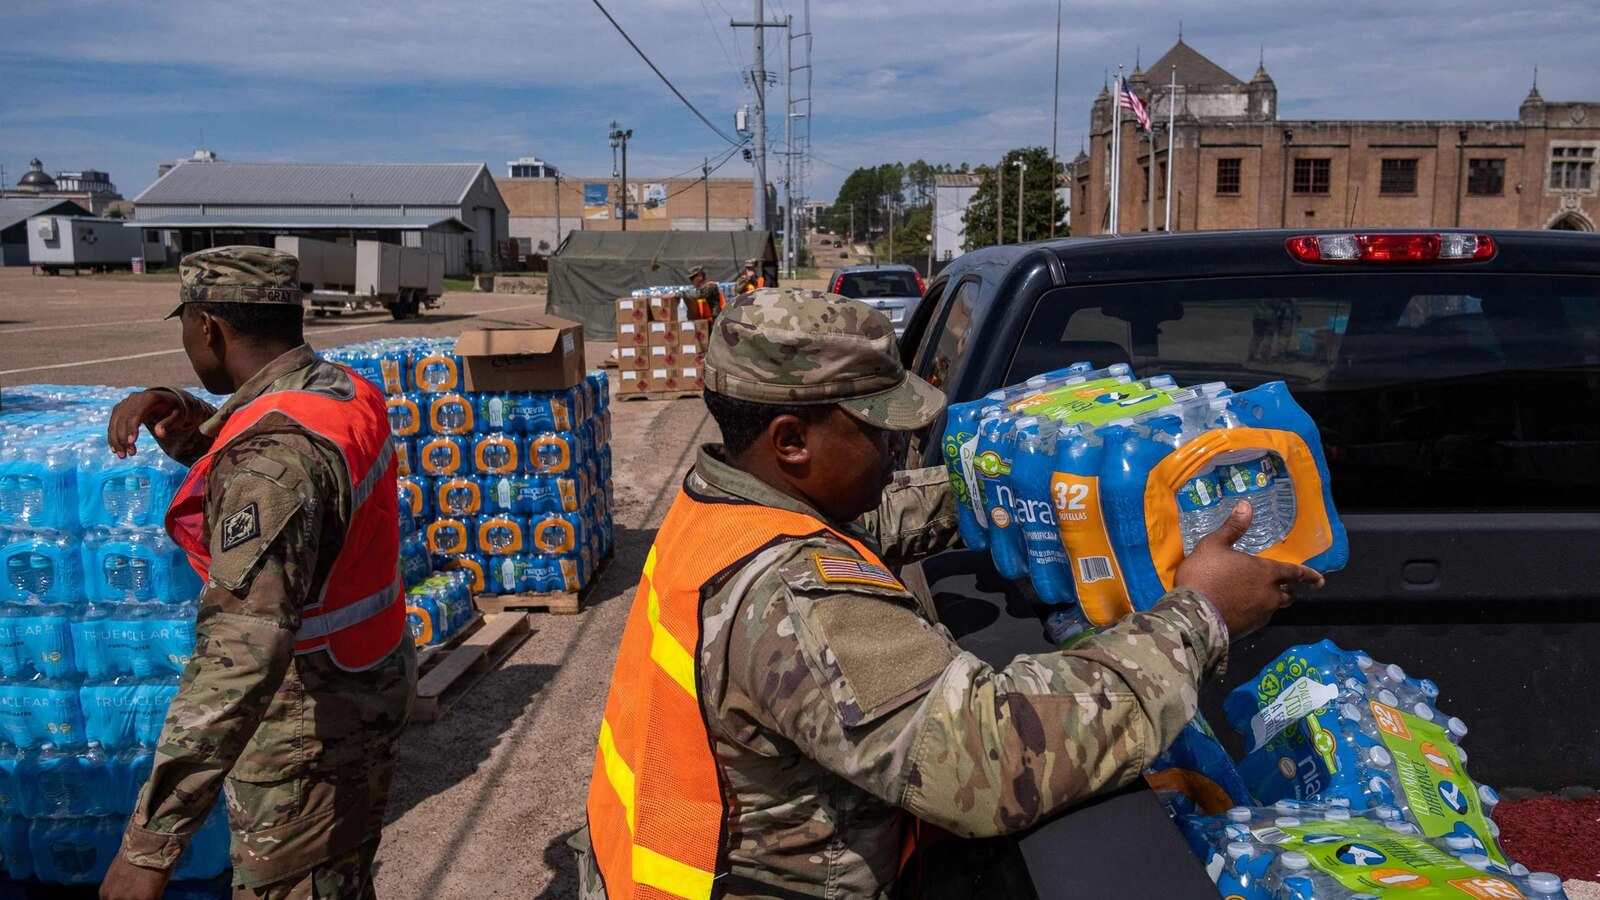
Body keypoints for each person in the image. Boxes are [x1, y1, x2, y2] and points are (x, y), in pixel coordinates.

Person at [578, 287, 1324, 898]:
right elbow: (992, 762)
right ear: (791, 441)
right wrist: (1198, 616)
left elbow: (875, 516)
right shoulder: (801, 598)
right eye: (879, 431)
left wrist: (1022, 486)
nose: (898, 448)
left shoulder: (725, 503)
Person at [99, 247, 415, 900]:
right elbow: (292, 456)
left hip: (309, 729)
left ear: (207, 326)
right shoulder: (340, 390)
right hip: (367, 680)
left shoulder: (272, 467)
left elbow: (240, 656)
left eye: (186, 325)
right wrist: (185, 415)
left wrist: (150, 845)